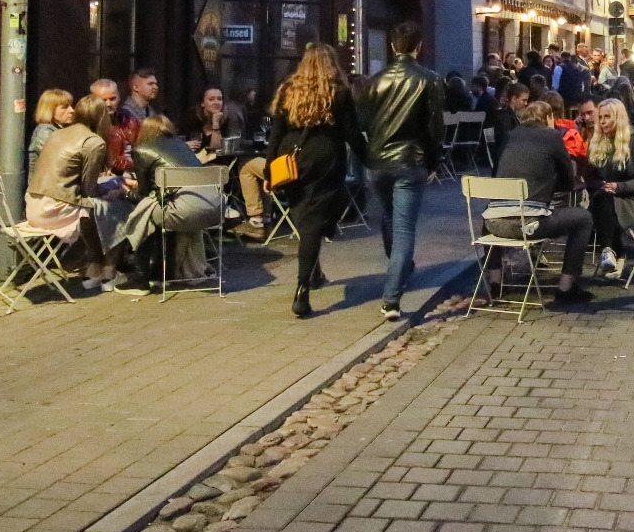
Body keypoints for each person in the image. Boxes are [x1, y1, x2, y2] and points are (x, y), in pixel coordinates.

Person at [265, 44, 367, 318]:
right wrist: (368, 158)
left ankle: (315, 272)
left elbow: (275, 134)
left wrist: (269, 171)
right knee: (313, 223)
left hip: (291, 162)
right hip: (326, 159)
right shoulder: (339, 92)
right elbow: (352, 132)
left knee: (304, 218)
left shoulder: (288, 90)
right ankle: (302, 290)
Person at [356, 22, 445, 321]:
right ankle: (392, 297)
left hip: (378, 161)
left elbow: (364, 123)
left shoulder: (373, 81)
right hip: (411, 160)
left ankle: (400, 267)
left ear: (393, 46)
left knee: (387, 219)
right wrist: (434, 161)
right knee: (404, 228)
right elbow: (435, 126)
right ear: (418, 46)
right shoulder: (429, 80)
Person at [488, 101, 597, 305]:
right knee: (583, 218)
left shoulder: (510, 136)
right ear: (549, 118)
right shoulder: (553, 136)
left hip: (494, 225)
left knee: (494, 211)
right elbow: (567, 179)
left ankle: (495, 282)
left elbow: (496, 173)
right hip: (529, 224)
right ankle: (566, 287)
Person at [25, 95, 131, 291]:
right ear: (101, 118)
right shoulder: (93, 142)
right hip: (55, 209)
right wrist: (115, 187)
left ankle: (94, 268)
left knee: (97, 209)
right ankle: (109, 272)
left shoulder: (58, 133)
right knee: (121, 209)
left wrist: (112, 183)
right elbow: (89, 189)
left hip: (34, 204)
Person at [120, 115, 226, 287]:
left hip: (184, 210)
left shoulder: (142, 149)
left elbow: (144, 194)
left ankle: (142, 278)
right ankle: (165, 272)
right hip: (215, 207)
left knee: (145, 212)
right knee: (163, 207)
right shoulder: (181, 146)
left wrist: (124, 193)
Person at [585, 98, 634, 277]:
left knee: (605, 200)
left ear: (619, 118)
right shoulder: (597, 140)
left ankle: (612, 252)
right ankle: (611, 251)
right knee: (604, 198)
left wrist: (620, 187)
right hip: (605, 196)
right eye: (600, 117)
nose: (602, 121)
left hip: (633, 197)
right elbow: (589, 178)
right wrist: (599, 184)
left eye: (607, 117)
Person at [186, 86, 245, 153]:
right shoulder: (193, 120)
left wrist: (216, 123)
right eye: (211, 99)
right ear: (202, 103)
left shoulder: (229, 120)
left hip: (222, 161)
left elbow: (216, 150)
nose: (216, 103)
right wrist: (185, 145)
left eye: (219, 99)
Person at [27, 88, 74, 171]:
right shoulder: (45, 131)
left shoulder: (59, 128)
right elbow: (60, 161)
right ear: (50, 110)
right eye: (64, 107)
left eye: (71, 106)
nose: (72, 110)